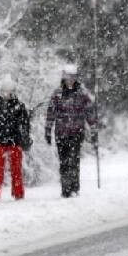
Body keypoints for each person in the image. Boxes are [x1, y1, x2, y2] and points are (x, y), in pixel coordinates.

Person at [45, 64, 97, 198]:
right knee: (64, 162)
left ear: (76, 77)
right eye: (68, 77)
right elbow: (51, 112)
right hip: (61, 133)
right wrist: (48, 130)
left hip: (76, 132)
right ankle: (65, 189)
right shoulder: (57, 93)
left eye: (73, 77)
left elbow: (89, 112)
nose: (70, 79)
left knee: (74, 160)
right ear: (64, 77)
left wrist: (94, 129)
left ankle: (74, 187)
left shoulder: (82, 93)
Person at [0, 77, 31, 204]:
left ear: (13, 92)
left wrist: (26, 137)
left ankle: (18, 193)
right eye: (3, 92)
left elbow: (25, 124)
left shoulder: (20, 106)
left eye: (8, 92)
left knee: (16, 169)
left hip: (15, 142)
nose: (6, 95)